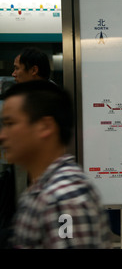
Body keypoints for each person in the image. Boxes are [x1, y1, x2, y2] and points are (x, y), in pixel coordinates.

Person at [0, 80, 111, 248]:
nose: (2, 136)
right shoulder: (44, 189)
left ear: (45, 126)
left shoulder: (63, 198)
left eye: (10, 124)